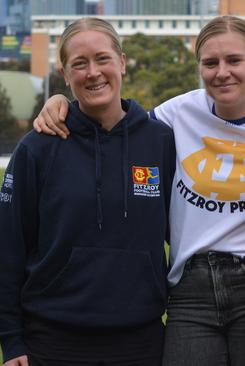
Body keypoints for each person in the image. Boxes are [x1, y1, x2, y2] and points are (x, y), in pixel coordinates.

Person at [33, 16, 245, 366]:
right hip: (190, 289)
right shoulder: (180, 111)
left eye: (234, 60)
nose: (222, 72)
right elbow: (116, 123)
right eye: (210, 63)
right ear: (199, 68)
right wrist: (61, 101)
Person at [0, 18, 175, 366]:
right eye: (80, 64)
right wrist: (12, 340)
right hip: (52, 343)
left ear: (122, 62)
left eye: (102, 58)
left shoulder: (161, 141)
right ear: (65, 74)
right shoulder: (38, 148)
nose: (93, 72)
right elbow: (8, 249)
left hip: (140, 341)